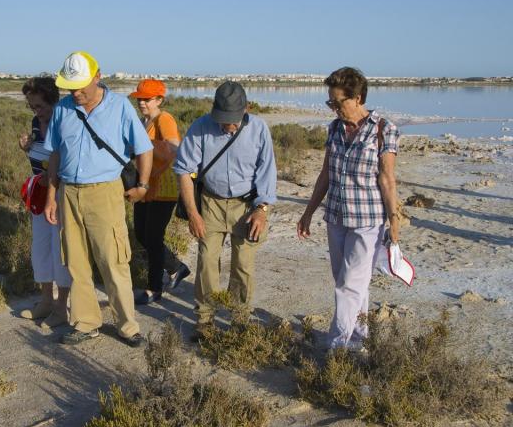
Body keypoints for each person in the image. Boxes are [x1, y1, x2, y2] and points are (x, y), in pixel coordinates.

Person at [43, 51, 154, 347]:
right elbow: (54, 153)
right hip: (69, 192)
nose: (75, 93)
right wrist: (51, 195)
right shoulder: (62, 109)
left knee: (113, 261)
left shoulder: (120, 108)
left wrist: (143, 185)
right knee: (76, 262)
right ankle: (86, 322)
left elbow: (144, 149)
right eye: (70, 87)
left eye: (80, 86)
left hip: (105, 192)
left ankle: (127, 326)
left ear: (97, 76)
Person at [297, 67, 401, 351]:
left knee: (349, 285)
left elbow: (387, 177)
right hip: (336, 217)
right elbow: (325, 174)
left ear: (357, 98)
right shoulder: (334, 129)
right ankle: (360, 335)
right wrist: (308, 212)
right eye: (330, 102)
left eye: (338, 102)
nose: (334, 108)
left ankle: (337, 347)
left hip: (368, 220)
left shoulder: (383, 129)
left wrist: (394, 218)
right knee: (348, 281)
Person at [174, 81, 277, 340]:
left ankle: (238, 319)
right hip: (211, 204)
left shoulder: (259, 129)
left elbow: (267, 173)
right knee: (207, 262)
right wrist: (194, 214)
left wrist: (262, 210)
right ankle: (205, 321)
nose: (227, 126)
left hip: (248, 206)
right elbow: (184, 172)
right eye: (222, 119)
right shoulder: (199, 128)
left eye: (232, 120)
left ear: (246, 109)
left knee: (243, 265)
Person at [128, 79, 190, 305]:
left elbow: (174, 148)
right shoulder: (145, 122)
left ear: (159, 100)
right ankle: (176, 267)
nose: (142, 103)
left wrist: (145, 150)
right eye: (140, 99)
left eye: (147, 99)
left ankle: (154, 289)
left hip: (163, 188)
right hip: (145, 187)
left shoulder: (164, 119)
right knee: (142, 234)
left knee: (153, 237)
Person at [18, 77, 71, 328]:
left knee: (59, 249)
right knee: (40, 248)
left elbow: (64, 160)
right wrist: (27, 149)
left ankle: (62, 307)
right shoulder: (36, 122)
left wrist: (49, 182)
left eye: (39, 106)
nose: (35, 111)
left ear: (53, 100)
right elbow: (42, 156)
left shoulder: (64, 121)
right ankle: (46, 300)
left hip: (61, 193)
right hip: (39, 194)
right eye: (31, 107)